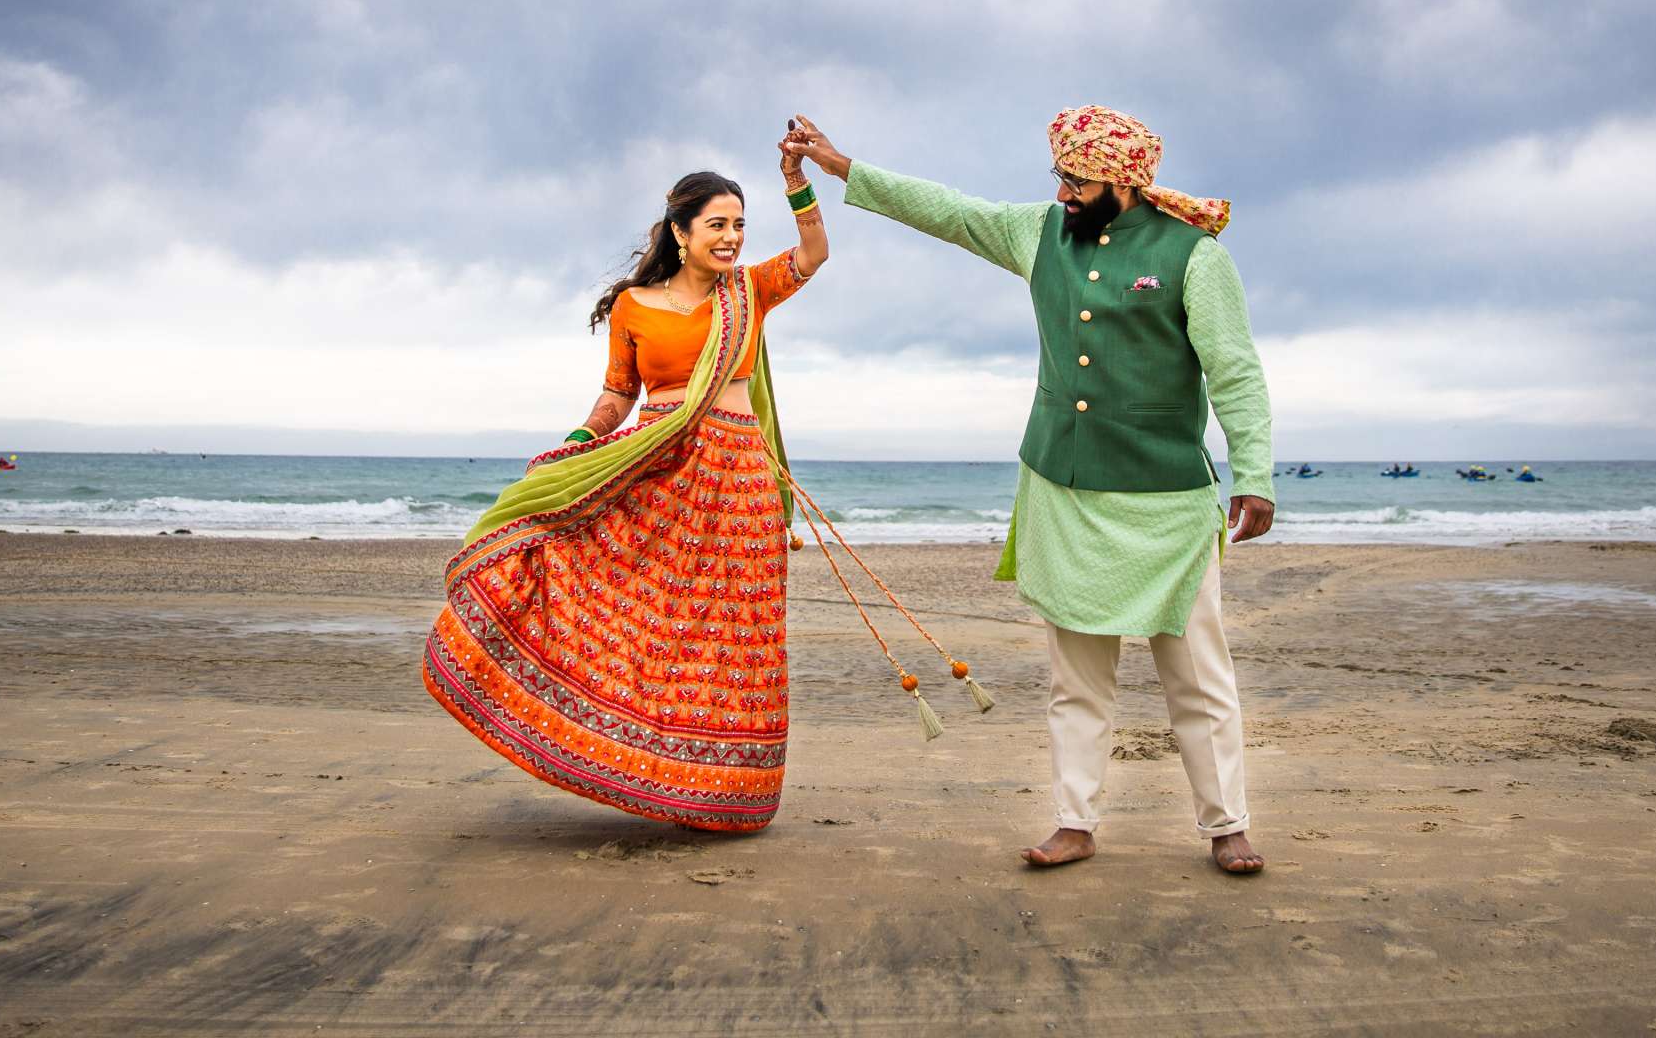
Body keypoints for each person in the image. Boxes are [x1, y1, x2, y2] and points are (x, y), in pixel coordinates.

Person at [787, 106, 1273, 877]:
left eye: (1076, 179)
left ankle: (1228, 825)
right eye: (1060, 175)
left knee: (1197, 674)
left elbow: (1235, 372)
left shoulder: (1194, 256)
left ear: (1124, 179)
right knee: (1075, 678)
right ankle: (1074, 823)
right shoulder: (1037, 232)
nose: (1063, 190)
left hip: (1167, 501)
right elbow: (951, 211)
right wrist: (846, 168)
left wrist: (1255, 474)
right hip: (1064, 488)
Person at [421, 125, 829, 832]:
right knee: (656, 623)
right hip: (660, 472)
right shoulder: (634, 309)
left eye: (739, 225)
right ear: (680, 231)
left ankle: (724, 795)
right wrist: (579, 442)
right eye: (717, 225)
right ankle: (651, 771)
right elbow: (618, 396)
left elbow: (814, 252)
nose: (731, 238)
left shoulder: (752, 291)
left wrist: (798, 179)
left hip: (739, 485)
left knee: (737, 634)